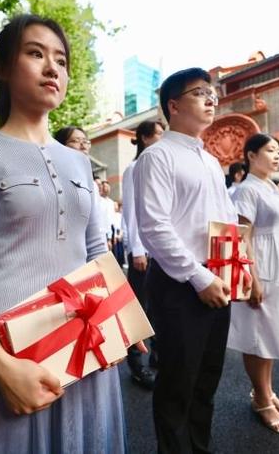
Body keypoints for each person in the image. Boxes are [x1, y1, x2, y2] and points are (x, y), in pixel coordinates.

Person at [0, 15, 135, 453]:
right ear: (3, 68)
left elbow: (97, 252)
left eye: (61, 61)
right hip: (8, 345)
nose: (52, 69)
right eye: (35, 53)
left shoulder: (80, 161)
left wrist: (121, 327)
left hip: (86, 342)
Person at [135, 67, 237, 453]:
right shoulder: (157, 157)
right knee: (178, 384)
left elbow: (226, 221)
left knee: (206, 381)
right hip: (180, 285)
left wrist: (242, 272)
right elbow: (154, 228)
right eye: (200, 93)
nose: (211, 100)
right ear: (173, 106)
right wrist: (199, 278)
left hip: (218, 279)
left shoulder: (210, 161)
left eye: (213, 93)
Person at [227, 133, 279, 437]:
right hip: (262, 265)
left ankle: (267, 391)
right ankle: (261, 399)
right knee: (258, 336)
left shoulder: (271, 186)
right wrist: (252, 279)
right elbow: (243, 236)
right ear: (250, 155)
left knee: (272, 334)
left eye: (278, 151)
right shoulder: (245, 191)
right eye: (269, 150)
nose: (276, 156)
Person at [121, 119, 164, 390]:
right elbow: (132, 212)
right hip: (143, 252)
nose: (163, 137)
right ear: (146, 138)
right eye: (159, 134)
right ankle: (137, 364)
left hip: (161, 252)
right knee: (138, 308)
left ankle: (159, 356)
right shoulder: (134, 168)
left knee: (159, 306)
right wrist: (137, 249)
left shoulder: (160, 167)